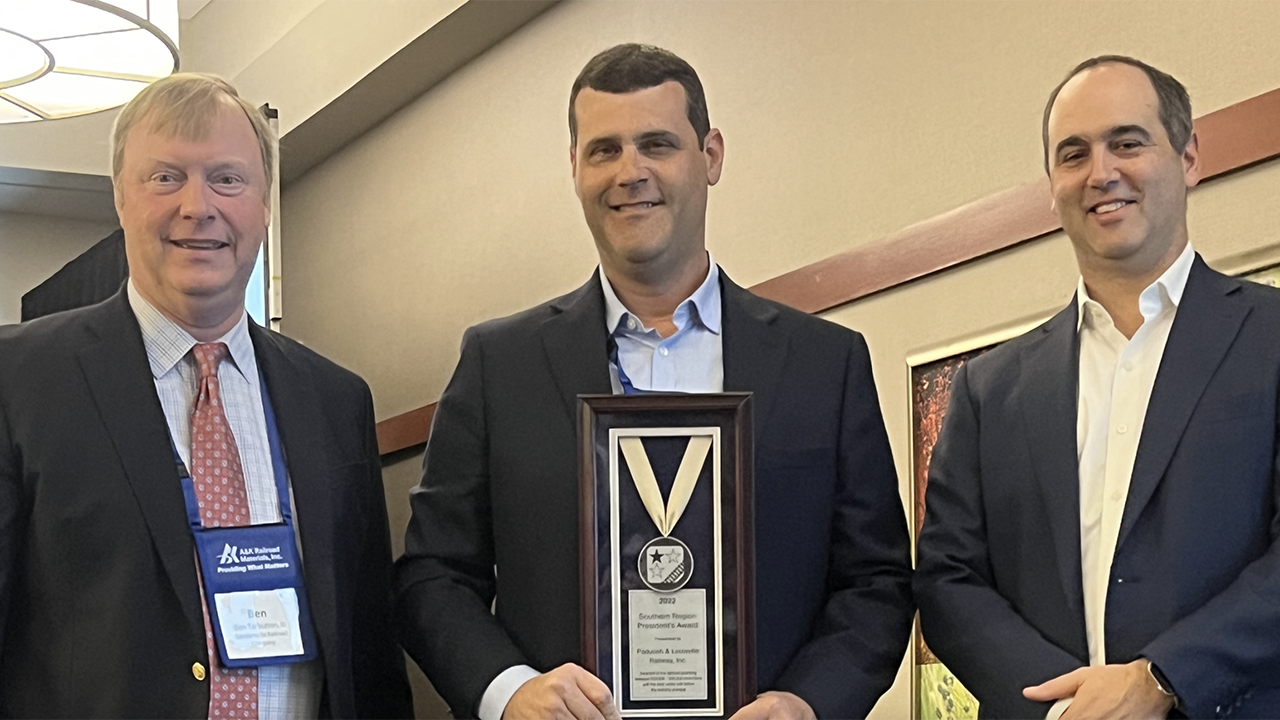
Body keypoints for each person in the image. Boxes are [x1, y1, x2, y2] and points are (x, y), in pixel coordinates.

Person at [396, 44, 912, 720]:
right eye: (603, 150)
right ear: (575, 168)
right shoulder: (500, 364)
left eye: (657, 144)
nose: (629, 172)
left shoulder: (825, 362)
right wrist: (509, 690)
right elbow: (433, 576)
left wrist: (806, 704)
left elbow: (875, 581)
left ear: (712, 155)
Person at [0, 73, 412, 718]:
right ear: (119, 198)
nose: (199, 206)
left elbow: (367, 644)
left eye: (227, 178)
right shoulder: (18, 379)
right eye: (166, 177)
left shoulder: (336, 400)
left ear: (264, 202)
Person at [915, 55, 1280, 719]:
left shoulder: (1272, 338)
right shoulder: (987, 390)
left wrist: (1162, 678)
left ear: (1189, 157)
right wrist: (1068, 707)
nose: (1101, 172)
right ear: (1052, 184)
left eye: (1128, 142)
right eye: (1073, 153)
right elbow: (948, 580)